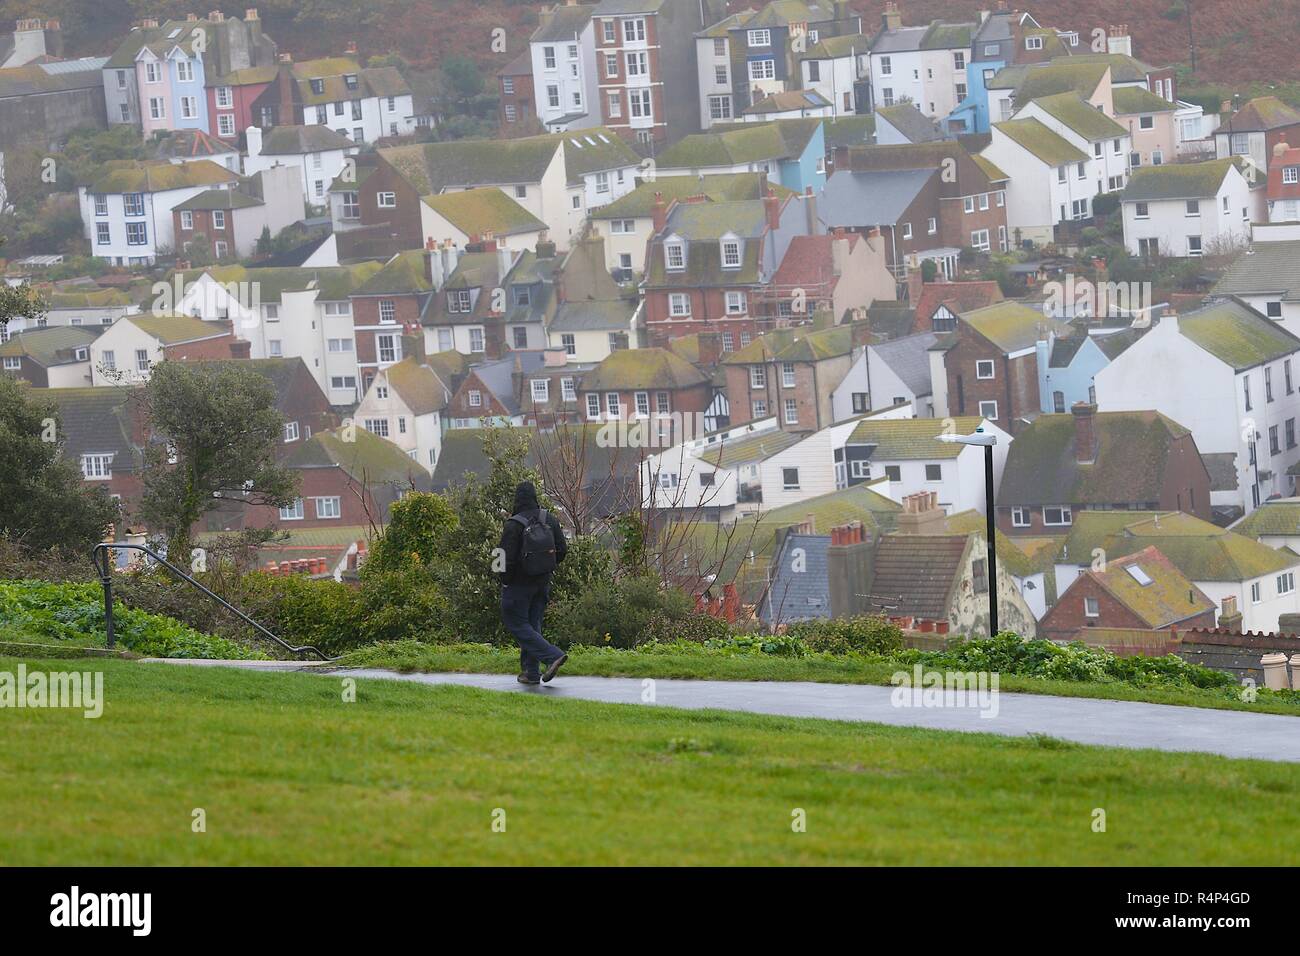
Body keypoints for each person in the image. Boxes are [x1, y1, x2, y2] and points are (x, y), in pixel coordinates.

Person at [498, 480, 568, 684]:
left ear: (517, 499)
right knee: (532, 624)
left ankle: (552, 655)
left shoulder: (513, 524)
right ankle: (530, 672)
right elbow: (562, 551)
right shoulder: (550, 519)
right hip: (542, 583)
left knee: (517, 623)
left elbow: (502, 557)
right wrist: (543, 569)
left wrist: (504, 580)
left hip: (518, 586)